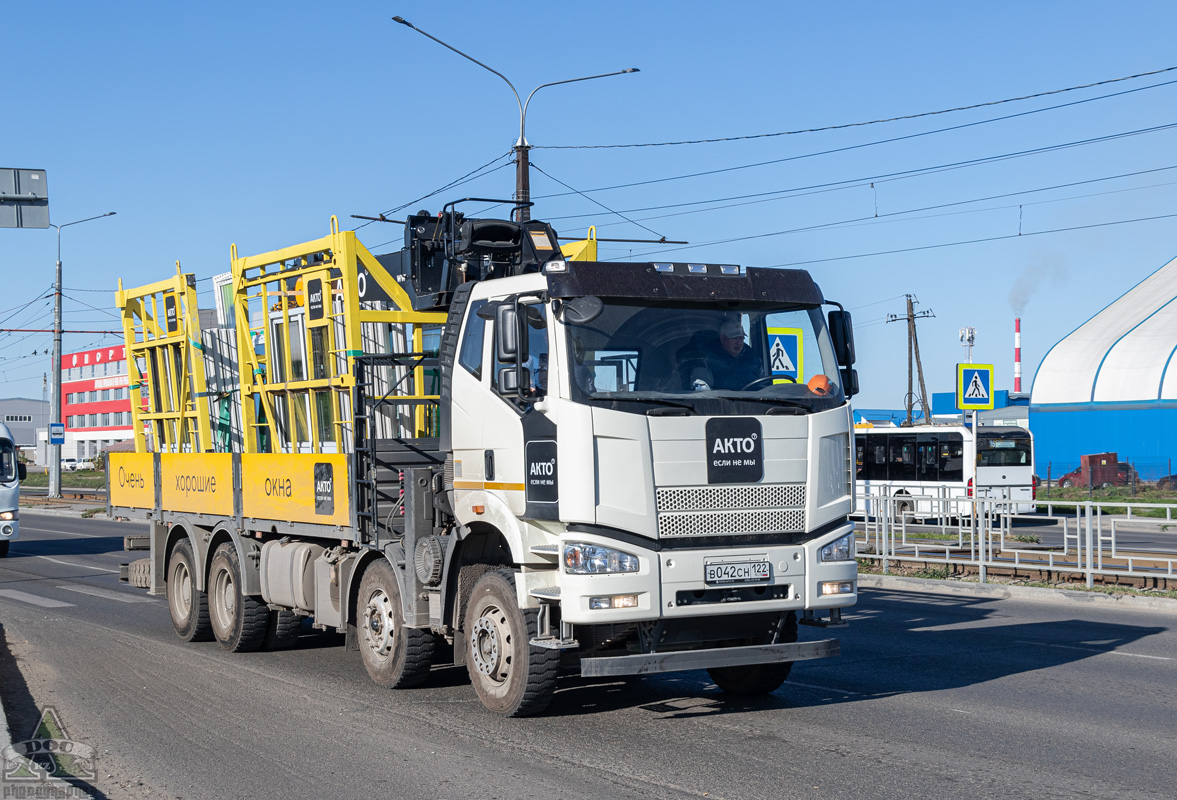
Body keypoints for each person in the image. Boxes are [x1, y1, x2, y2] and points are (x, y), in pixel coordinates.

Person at [689, 320, 763, 390]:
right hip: (719, 402)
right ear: (722, 339)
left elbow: (764, 385)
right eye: (734, 338)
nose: (738, 342)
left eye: (741, 338)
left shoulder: (753, 359)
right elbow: (702, 390)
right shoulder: (706, 359)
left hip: (753, 402)